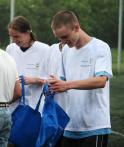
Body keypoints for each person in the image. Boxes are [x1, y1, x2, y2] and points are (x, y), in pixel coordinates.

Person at [49, 10, 113, 147]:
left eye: (65, 36)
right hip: (70, 125)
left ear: (76, 27)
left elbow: (101, 81)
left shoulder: (100, 47)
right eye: (59, 38)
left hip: (95, 126)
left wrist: (66, 85)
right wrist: (53, 85)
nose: (62, 42)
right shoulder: (66, 50)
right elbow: (63, 81)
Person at [6, 16, 62, 113]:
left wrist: (34, 80)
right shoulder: (10, 49)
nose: (14, 40)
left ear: (28, 32)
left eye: (17, 36)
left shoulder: (45, 50)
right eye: (11, 37)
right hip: (13, 108)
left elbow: (54, 80)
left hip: (35, 108)